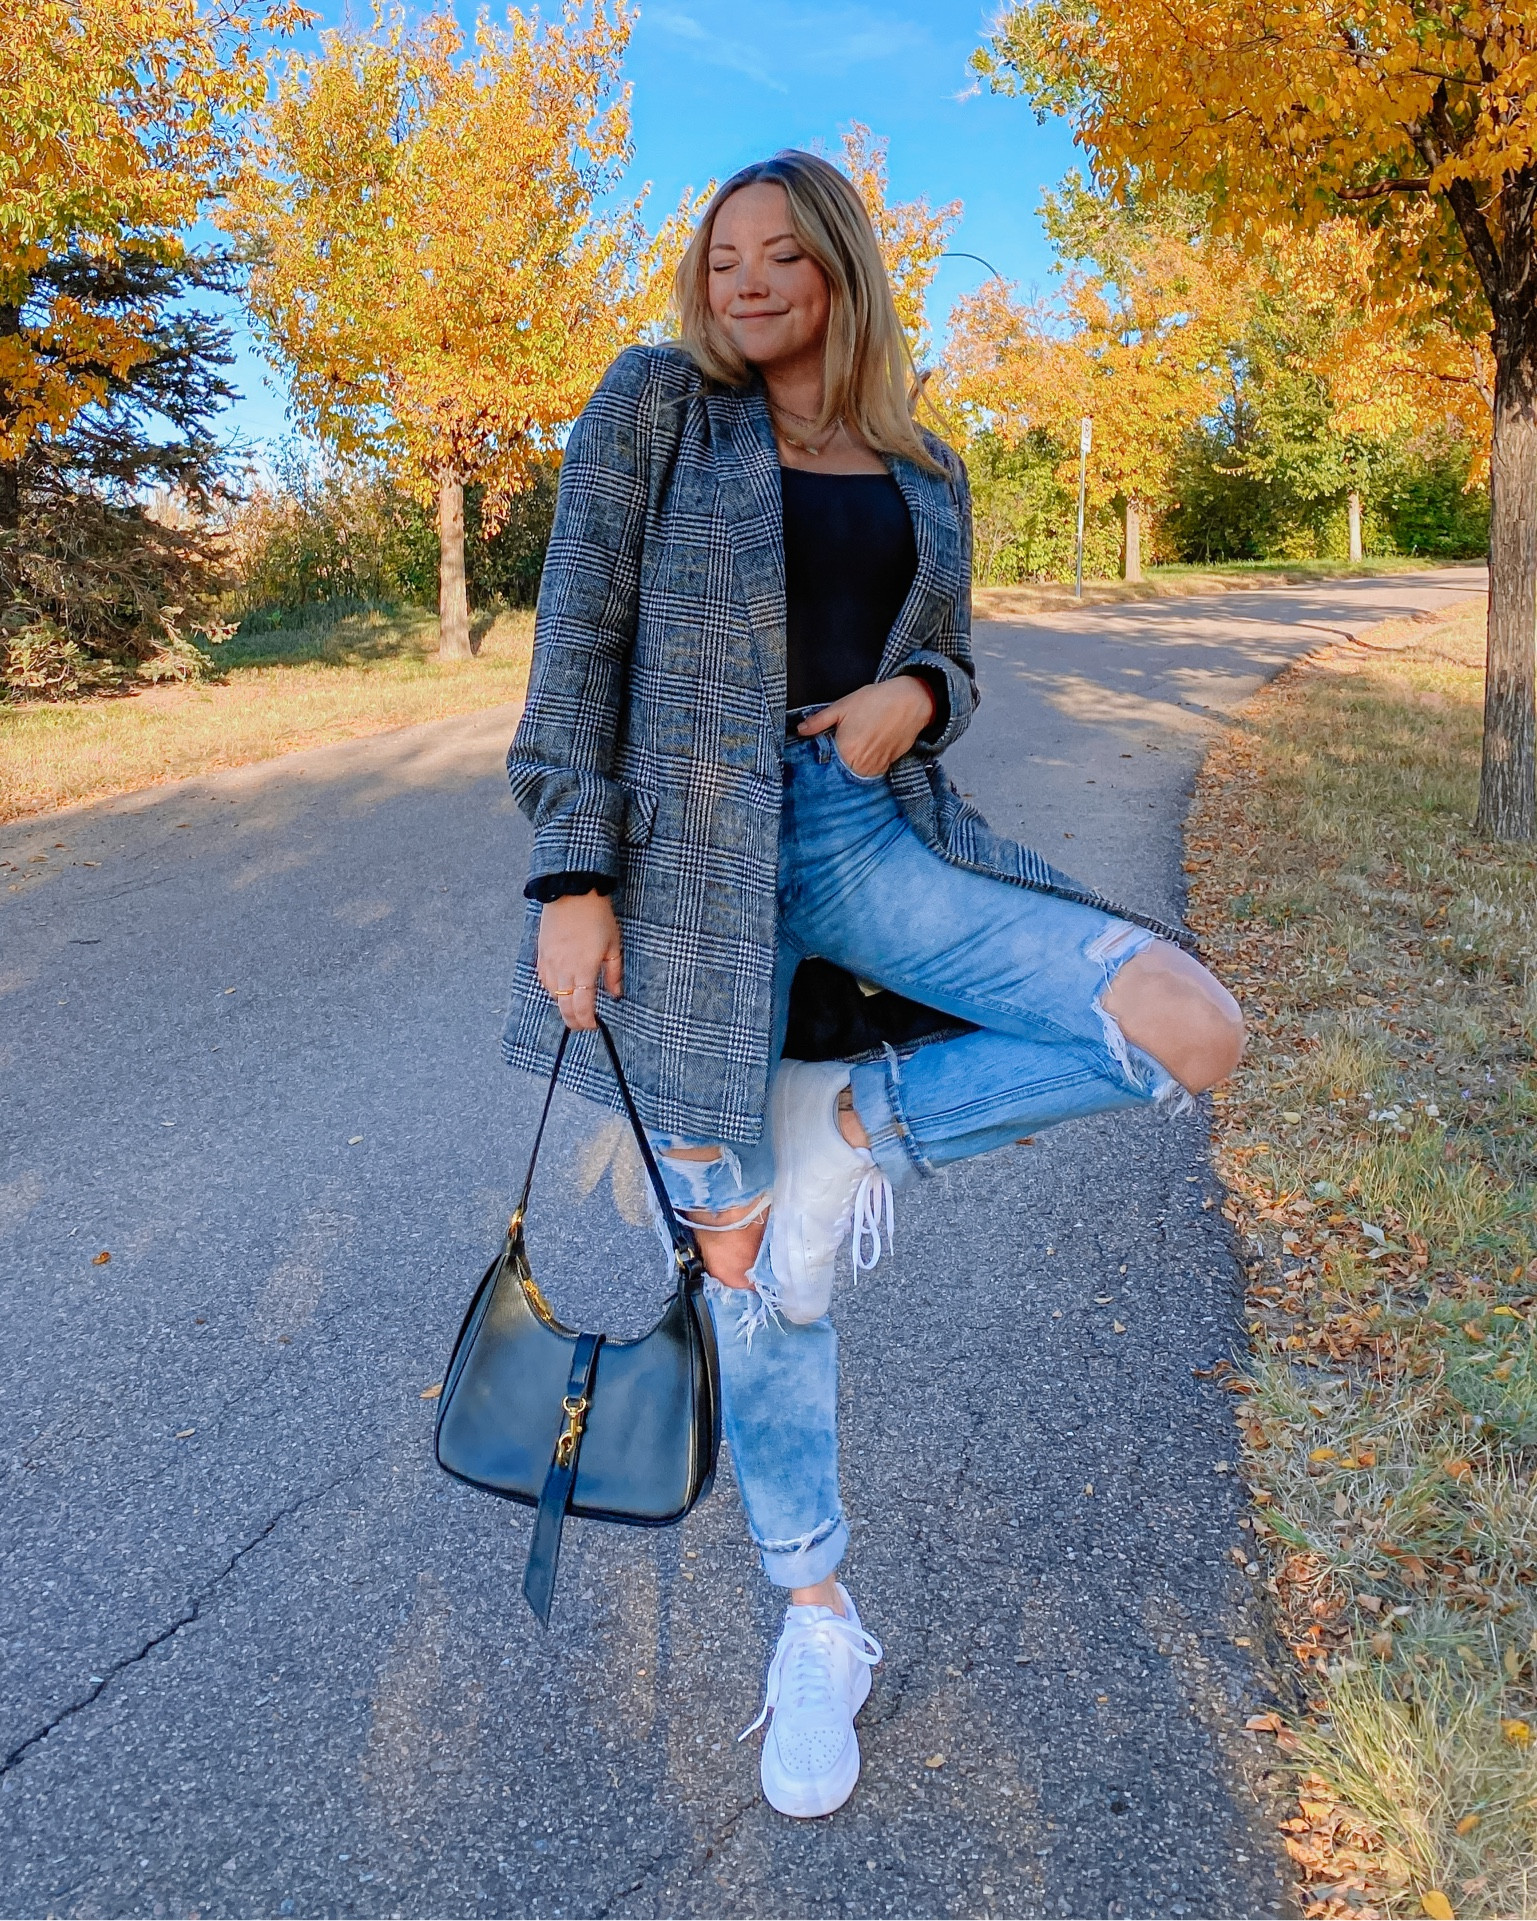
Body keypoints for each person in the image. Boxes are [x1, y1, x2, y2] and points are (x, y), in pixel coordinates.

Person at [504, 150, 1244, 1821]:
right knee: (758, 1281)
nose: (745, 281)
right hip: (683, 878)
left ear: (840, 272)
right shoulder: (651, 413)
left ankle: (863, 1115)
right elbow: (578, 647)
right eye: (721, 257)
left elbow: (953, 659)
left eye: (783, 255)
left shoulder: (926, 463)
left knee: (1190, 1027)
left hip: (858, 841)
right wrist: (571, 872)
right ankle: (815, 1614)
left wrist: (918, 686)